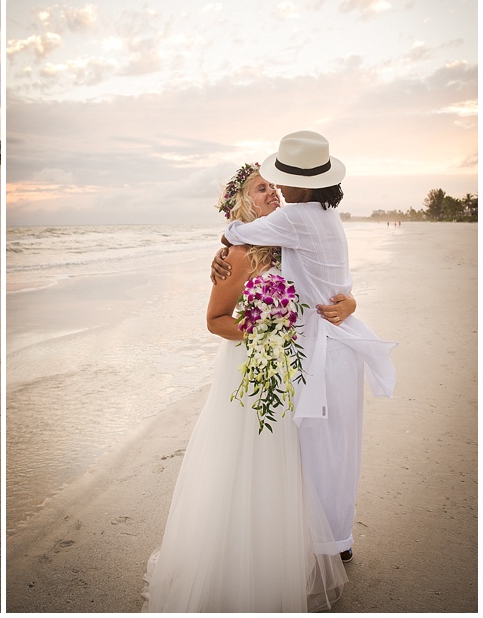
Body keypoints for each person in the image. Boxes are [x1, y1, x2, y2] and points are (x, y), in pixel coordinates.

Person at [142, 164, 350, 612]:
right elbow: (215, 320)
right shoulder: (238, 255)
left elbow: (323, 284)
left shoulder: (288, 241)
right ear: (243, 202)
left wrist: (348, 301)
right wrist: (264, 334)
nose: (272, 192)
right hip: (250, 373)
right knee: (244, 463)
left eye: (273, 186)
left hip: (289, 372)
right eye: (261, 188)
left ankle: (281, 557)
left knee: (286, 467)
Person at [218, 130, 397, 564]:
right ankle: (338, 539)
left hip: (324, 352)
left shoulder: (296, 218)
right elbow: (330, 281)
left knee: (320, 452)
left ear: (304, 184)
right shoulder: (327, 217)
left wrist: (227, 243)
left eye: (282, 180)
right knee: (339, 451)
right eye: (268, 184)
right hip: (341, 345)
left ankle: (328, 544)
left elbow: (237, 229)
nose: (278, 188)